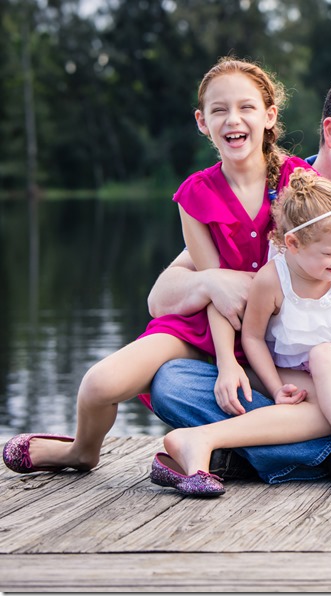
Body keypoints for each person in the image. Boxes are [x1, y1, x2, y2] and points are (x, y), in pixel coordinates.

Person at [145, 67, 331, 485]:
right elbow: (163, 296)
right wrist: (211, 281)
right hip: (282, 381)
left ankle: (250, 455)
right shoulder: (278, 196)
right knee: (172, 382)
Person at [2, 57, 309, 476]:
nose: (232, 119)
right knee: (98, 384)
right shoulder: (195, 195)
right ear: (202, 122)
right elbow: (213, 285)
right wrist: (225, 363)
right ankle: (81, 452)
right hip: (208, 325)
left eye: (246, 107)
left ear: (269, 116)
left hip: (274, 329)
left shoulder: (296, 180)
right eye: (219, 110)